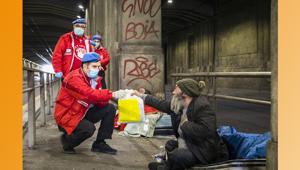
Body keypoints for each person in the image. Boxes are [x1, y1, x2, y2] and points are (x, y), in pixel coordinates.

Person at [132, 79, 229, 170]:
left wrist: (185, 124)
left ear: (185, 92)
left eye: (176, 88)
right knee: (170, 145)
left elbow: (206, 130)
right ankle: (167, 166)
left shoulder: (202, 106)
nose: (173, 92)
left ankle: (166, 167)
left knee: (178, 155)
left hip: (206, 150)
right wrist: (141, 96)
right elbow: (160, 104)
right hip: (192, 143)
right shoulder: (179, 104)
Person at [54, 52, 118, 155]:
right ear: (85, 65)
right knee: (88, 128)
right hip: (67, 115)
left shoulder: (93, 79)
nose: (96, 69)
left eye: (98, 67)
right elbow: (89, 94)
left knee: (110, 108)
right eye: (94, 66)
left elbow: (101, 101)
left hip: (82, 112)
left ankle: (100, 143)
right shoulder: (74, 78)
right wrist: (113, 94)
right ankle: (67, 141)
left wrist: (100, 82)